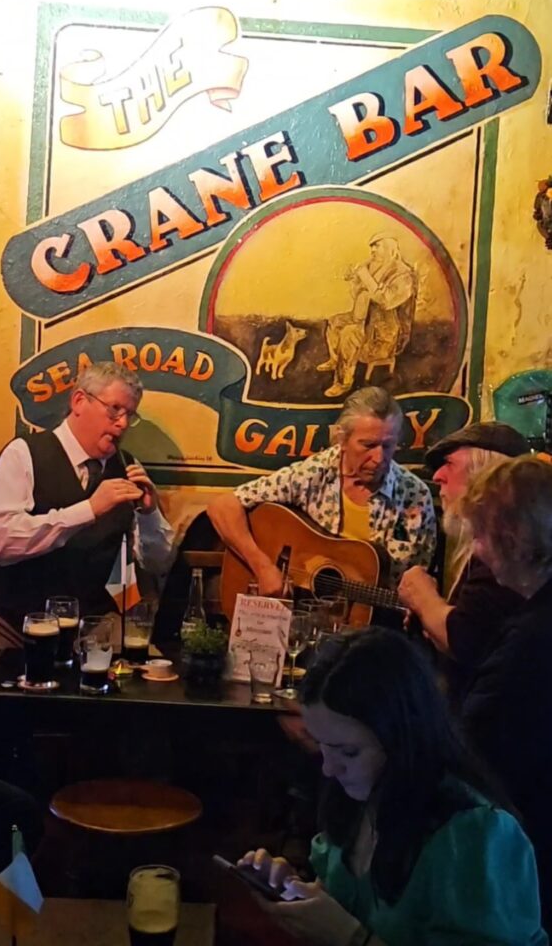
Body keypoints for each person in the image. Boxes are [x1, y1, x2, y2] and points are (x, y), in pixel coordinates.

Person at [239, 627, 547, 946]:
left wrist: (351, 937)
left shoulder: (476, 835)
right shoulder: (361, 799)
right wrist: (298, 892)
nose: (329, 769)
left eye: (348, 752)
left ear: (404, 737)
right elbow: (350, 905)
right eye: (321, 745)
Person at [0, 362, 174, 684]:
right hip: (6, 619)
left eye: (130, 414)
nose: (122, 423)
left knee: (153, 683)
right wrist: (88, 509)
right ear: (79, 401)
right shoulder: (24, 453)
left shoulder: (128, 466)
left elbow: (158, 562)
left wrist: (148, 515)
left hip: (92, 622)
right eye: (114, 410)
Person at [208, 386, 436, 596]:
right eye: (368, 445)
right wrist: (263, 567)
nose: (378, 458)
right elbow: (222, 507)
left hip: (374, 622)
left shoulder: (414, 496)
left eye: (388, 446)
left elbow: (419, 583)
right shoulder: (312, 474)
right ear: (342, 440)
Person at [457, 455, 552, 930]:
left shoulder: (531, 642)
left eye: (479, 535)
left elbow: (476, 753)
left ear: (513, 540)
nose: (476, 552)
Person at [398, 421, 529, 689]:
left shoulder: (503, 550)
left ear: (484, 473)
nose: (437, 476)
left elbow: (464, 639)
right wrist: (431, 616)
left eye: (449, 463)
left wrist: (422, 595)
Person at [318, 234, 416, 397]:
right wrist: (353, 280)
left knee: (348, 334)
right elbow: (359, 294)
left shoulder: (404, 275)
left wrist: (364, 276)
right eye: (372, 247)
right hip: (364, 319)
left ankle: (342, 382)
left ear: (389, 249)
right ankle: (336, 359)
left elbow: (386, 301)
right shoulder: (371, 265)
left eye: (377, 246)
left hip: (384, 332)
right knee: (334, 322)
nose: (372, 250)